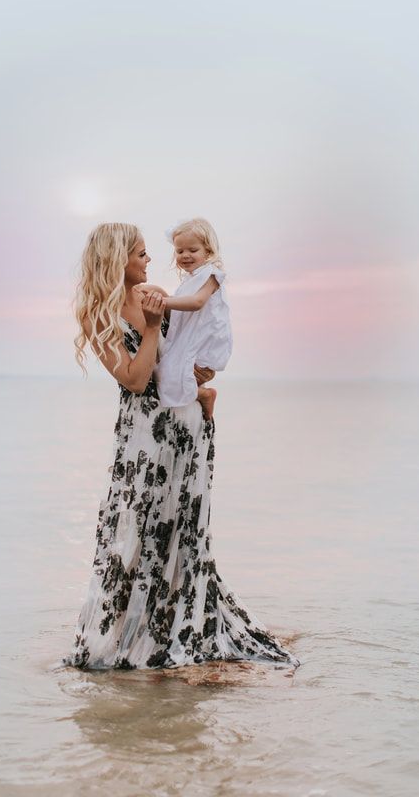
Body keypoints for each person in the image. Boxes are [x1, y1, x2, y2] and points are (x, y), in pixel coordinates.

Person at [62, 222, 299, 672]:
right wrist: (152, 327)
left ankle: (183, 628)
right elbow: (134, 379)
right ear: (118, 260)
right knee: (141, 531)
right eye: (141, 254)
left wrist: (204, 379)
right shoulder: (97, 314)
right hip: (145, 439)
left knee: (182, 531)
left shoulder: (154, 294)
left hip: (187, 424)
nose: (149, 261)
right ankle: (131, 637)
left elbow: (187, 348)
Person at [137, 218, 232, 421]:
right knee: (161, 374)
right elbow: (181, 313)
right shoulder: (189, 281)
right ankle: (199, 395)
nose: (185, 255)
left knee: (168, 376)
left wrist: (161, 302)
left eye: (193, 250)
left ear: (208, 251)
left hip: (203, 345)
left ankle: (205, 395)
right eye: (180, 251)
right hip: (190, 342)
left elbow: (197, 302)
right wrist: (153, 293)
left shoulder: (212, 274)